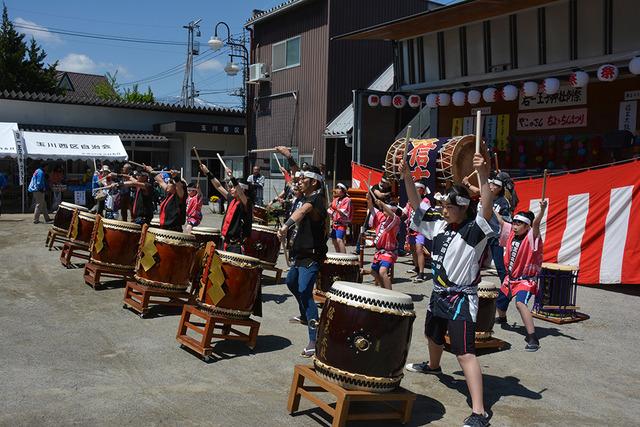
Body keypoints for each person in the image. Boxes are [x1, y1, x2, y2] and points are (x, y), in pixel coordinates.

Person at [402, 152, 493, 427]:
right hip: (438, 295)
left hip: (462, 299)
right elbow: (417, 206)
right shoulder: (440, 225)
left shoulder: (474, 229)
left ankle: (479, 412)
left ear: (463, 207)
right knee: (432, 334)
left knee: (465, 352)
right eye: (443, 205)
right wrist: (407, 177)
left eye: (448, 206)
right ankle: (433, 366)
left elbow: (486, 207)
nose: (443, 209)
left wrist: (484, 176)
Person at [277, 166, 328, 358]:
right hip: (300, 255)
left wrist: (285, 225)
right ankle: (307, 314)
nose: (299, 180)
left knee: (306, 292)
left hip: (312, 256)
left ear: (314, 182)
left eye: (303, 178)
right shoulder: (303, 198)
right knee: (291, 283)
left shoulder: (316, 200)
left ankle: (314, 340)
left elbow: (302, 212)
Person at [494, 202, 547, 352]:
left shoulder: (532, 236)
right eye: (515, 222)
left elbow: (536, 224)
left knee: (520, 304)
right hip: (510, 279)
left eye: (520, 223)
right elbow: (501, 221)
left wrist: (542, 210)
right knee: (499, 302)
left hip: (525, 280)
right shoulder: (512, 233)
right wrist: (490, 206)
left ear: (527, 226)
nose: (515, 226)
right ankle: (502, 317)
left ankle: (532, 337)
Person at [201, 163, 253, 254]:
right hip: (226, 241)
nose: (230, 189)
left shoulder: (246, 203)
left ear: (243, 189)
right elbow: (218, 186)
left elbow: (240, 193)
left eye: (233, 187)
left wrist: (232, 177)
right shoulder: (231, 199)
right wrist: (208, 172)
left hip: (236, 244)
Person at [366, 191, 400, 290]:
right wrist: (369, 200)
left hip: (389, 252)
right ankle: (383, 290)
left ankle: (390, 294)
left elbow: (393, 216)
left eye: (387, 209)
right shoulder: (381, 218)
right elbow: (372, 209)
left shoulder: (396, 221)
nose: (383, 210)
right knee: (373, 272)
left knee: (382, 272)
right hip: (379, 251)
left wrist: (382, 204)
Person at [403, 180, 432, 283]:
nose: (414, 190)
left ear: (422, 190)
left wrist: (412, 204)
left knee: (419, 250)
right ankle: (416, 267)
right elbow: (404, 212)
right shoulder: (410, 200)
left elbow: (421, 214)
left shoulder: (426, 201)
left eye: (417, 188)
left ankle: (421, 273)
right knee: (413, 249)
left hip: (420, 229)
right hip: (410, 229)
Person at [145, 165, 186, 232]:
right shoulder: (170, 193)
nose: (167, 184)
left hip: (173, 229)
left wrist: (175, 177)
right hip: (165, 227)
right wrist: (151, 171)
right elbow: (160, 181)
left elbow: (179, 186)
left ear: (174, 187)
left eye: (169, 183)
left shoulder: (179, 196)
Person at [327, 183, 352, 253]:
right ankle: (338, 255)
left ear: (343, 190)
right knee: (334, 240)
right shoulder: (336, 199)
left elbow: (344, 212)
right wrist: (330, 208)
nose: (336, 190)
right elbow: (331, 211)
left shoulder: (347, 200)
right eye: (336, 188)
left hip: (342, 223)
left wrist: (334, 207)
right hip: (335, 224)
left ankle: (344, 257)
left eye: (338, 188)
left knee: (339, 240)